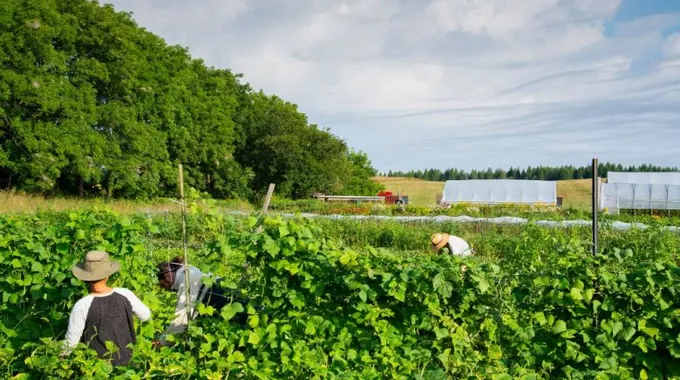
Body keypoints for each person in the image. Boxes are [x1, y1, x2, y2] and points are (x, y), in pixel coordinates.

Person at [63, 250, 151, 366]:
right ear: (107, 275)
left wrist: (60, 359)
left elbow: (71, 341)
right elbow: (145, 315)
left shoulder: (82, 305)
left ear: (84, 278)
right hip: (128, 361)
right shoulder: (125, 294)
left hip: (97, 367)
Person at [154, 256, 250, 347]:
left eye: (162, 284)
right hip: (227, 294)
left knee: (249, 318)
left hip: (226, 298)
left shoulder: (186, 278)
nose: (163, 288)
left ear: (167, 275)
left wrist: (163, 342)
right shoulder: (186, 271)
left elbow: (182, 317)